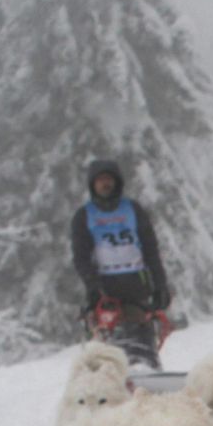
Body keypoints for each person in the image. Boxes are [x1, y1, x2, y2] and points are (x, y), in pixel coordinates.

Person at [70, 158, 172, 369]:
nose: (105, 184)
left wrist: (160, 284)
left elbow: (151, 250)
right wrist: (93, 285)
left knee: (142, 336)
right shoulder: (84, 216)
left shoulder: (133, 210)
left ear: (117, 182)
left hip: (136, 285)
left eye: (109, 179)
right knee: (109, 343)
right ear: (92, 185)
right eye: (100, 180)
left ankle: (147, 373)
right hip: (104, 289)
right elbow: (81, 257)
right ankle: (110, 380)